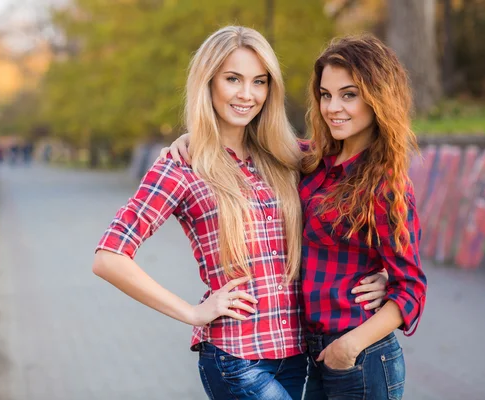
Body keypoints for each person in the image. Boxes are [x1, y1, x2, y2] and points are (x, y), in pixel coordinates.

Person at [93, 26, 386, 400]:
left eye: (259, 82)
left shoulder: (291, 157)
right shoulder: (181, 167)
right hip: (236, 360)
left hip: (299, 355)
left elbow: (374, 198)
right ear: (208, 82)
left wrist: (385, 272)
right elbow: (108, 257)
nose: (247, 95)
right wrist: (193, 313)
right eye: (233, 79)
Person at [297, 35, 427, 399]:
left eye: (348, 94)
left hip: (360, 358)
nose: (332, 107)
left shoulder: (387, 185)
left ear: (377, 97)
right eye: (326, 94)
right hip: (315, 353)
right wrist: (188, 142)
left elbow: (412, 288)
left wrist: (348, 348)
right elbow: (248, 144)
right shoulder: (311, 161)